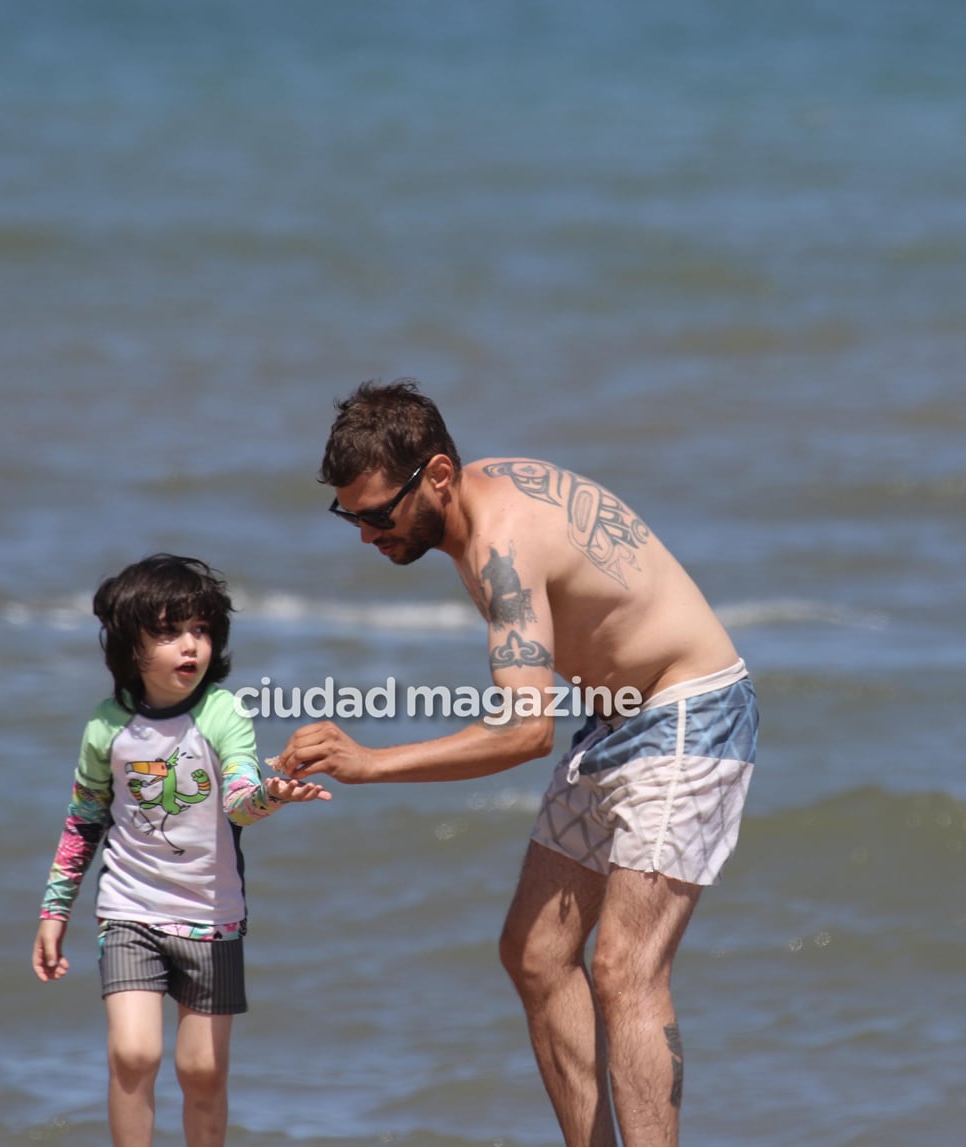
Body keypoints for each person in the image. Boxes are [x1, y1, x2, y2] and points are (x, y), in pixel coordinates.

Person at [276, 380, 759, 1147]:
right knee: (536, 955)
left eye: (374, 514)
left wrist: (369, 764)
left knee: (625, 970)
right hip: (615, 725)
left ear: (437, 475)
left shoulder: (504, 541)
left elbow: (526, 731)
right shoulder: (476, 497)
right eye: (349, 515)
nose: (365, 536)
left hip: (688, 715)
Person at [33, 553, 329, 1147]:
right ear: (130, 646)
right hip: (128, 912)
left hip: (211, 918)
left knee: (202, 1072)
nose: (189, 646)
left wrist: (270, 797)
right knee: (133, 1053)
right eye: (169, 633)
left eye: (199, 630)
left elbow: (240, 798)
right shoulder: (105, 727)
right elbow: (83, 822)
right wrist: (54, 910)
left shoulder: (222, 713)